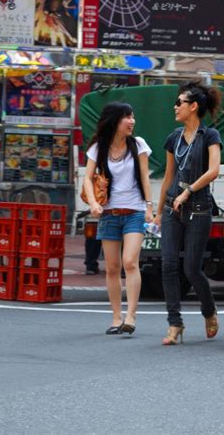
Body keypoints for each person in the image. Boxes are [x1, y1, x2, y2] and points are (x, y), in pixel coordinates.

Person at [154, 82, 222, 345]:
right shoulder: (173, 138)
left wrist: (188, 191)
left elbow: (214, 169)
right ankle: (174, 323)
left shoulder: (210, 136)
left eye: (179, 102)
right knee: (168, 265)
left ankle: (209, 311)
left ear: (193, 106)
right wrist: (159, 210)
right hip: (174, 207)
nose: (175, 106)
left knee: (191, 269)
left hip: (199, 208)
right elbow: (169, 176)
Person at [84, 102, 154, 335]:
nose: (132, 121)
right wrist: (93, 203)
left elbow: (145, 177)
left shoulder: (138, 144)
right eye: (127, 117)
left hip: (134, 211)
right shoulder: (98, 147)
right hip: (108, 213)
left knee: (130, 261)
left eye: (133, 117)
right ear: (115, 121)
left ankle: (131, 316)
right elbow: (87, 178)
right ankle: (116, 317)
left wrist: (149, 207)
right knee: (112, 267)